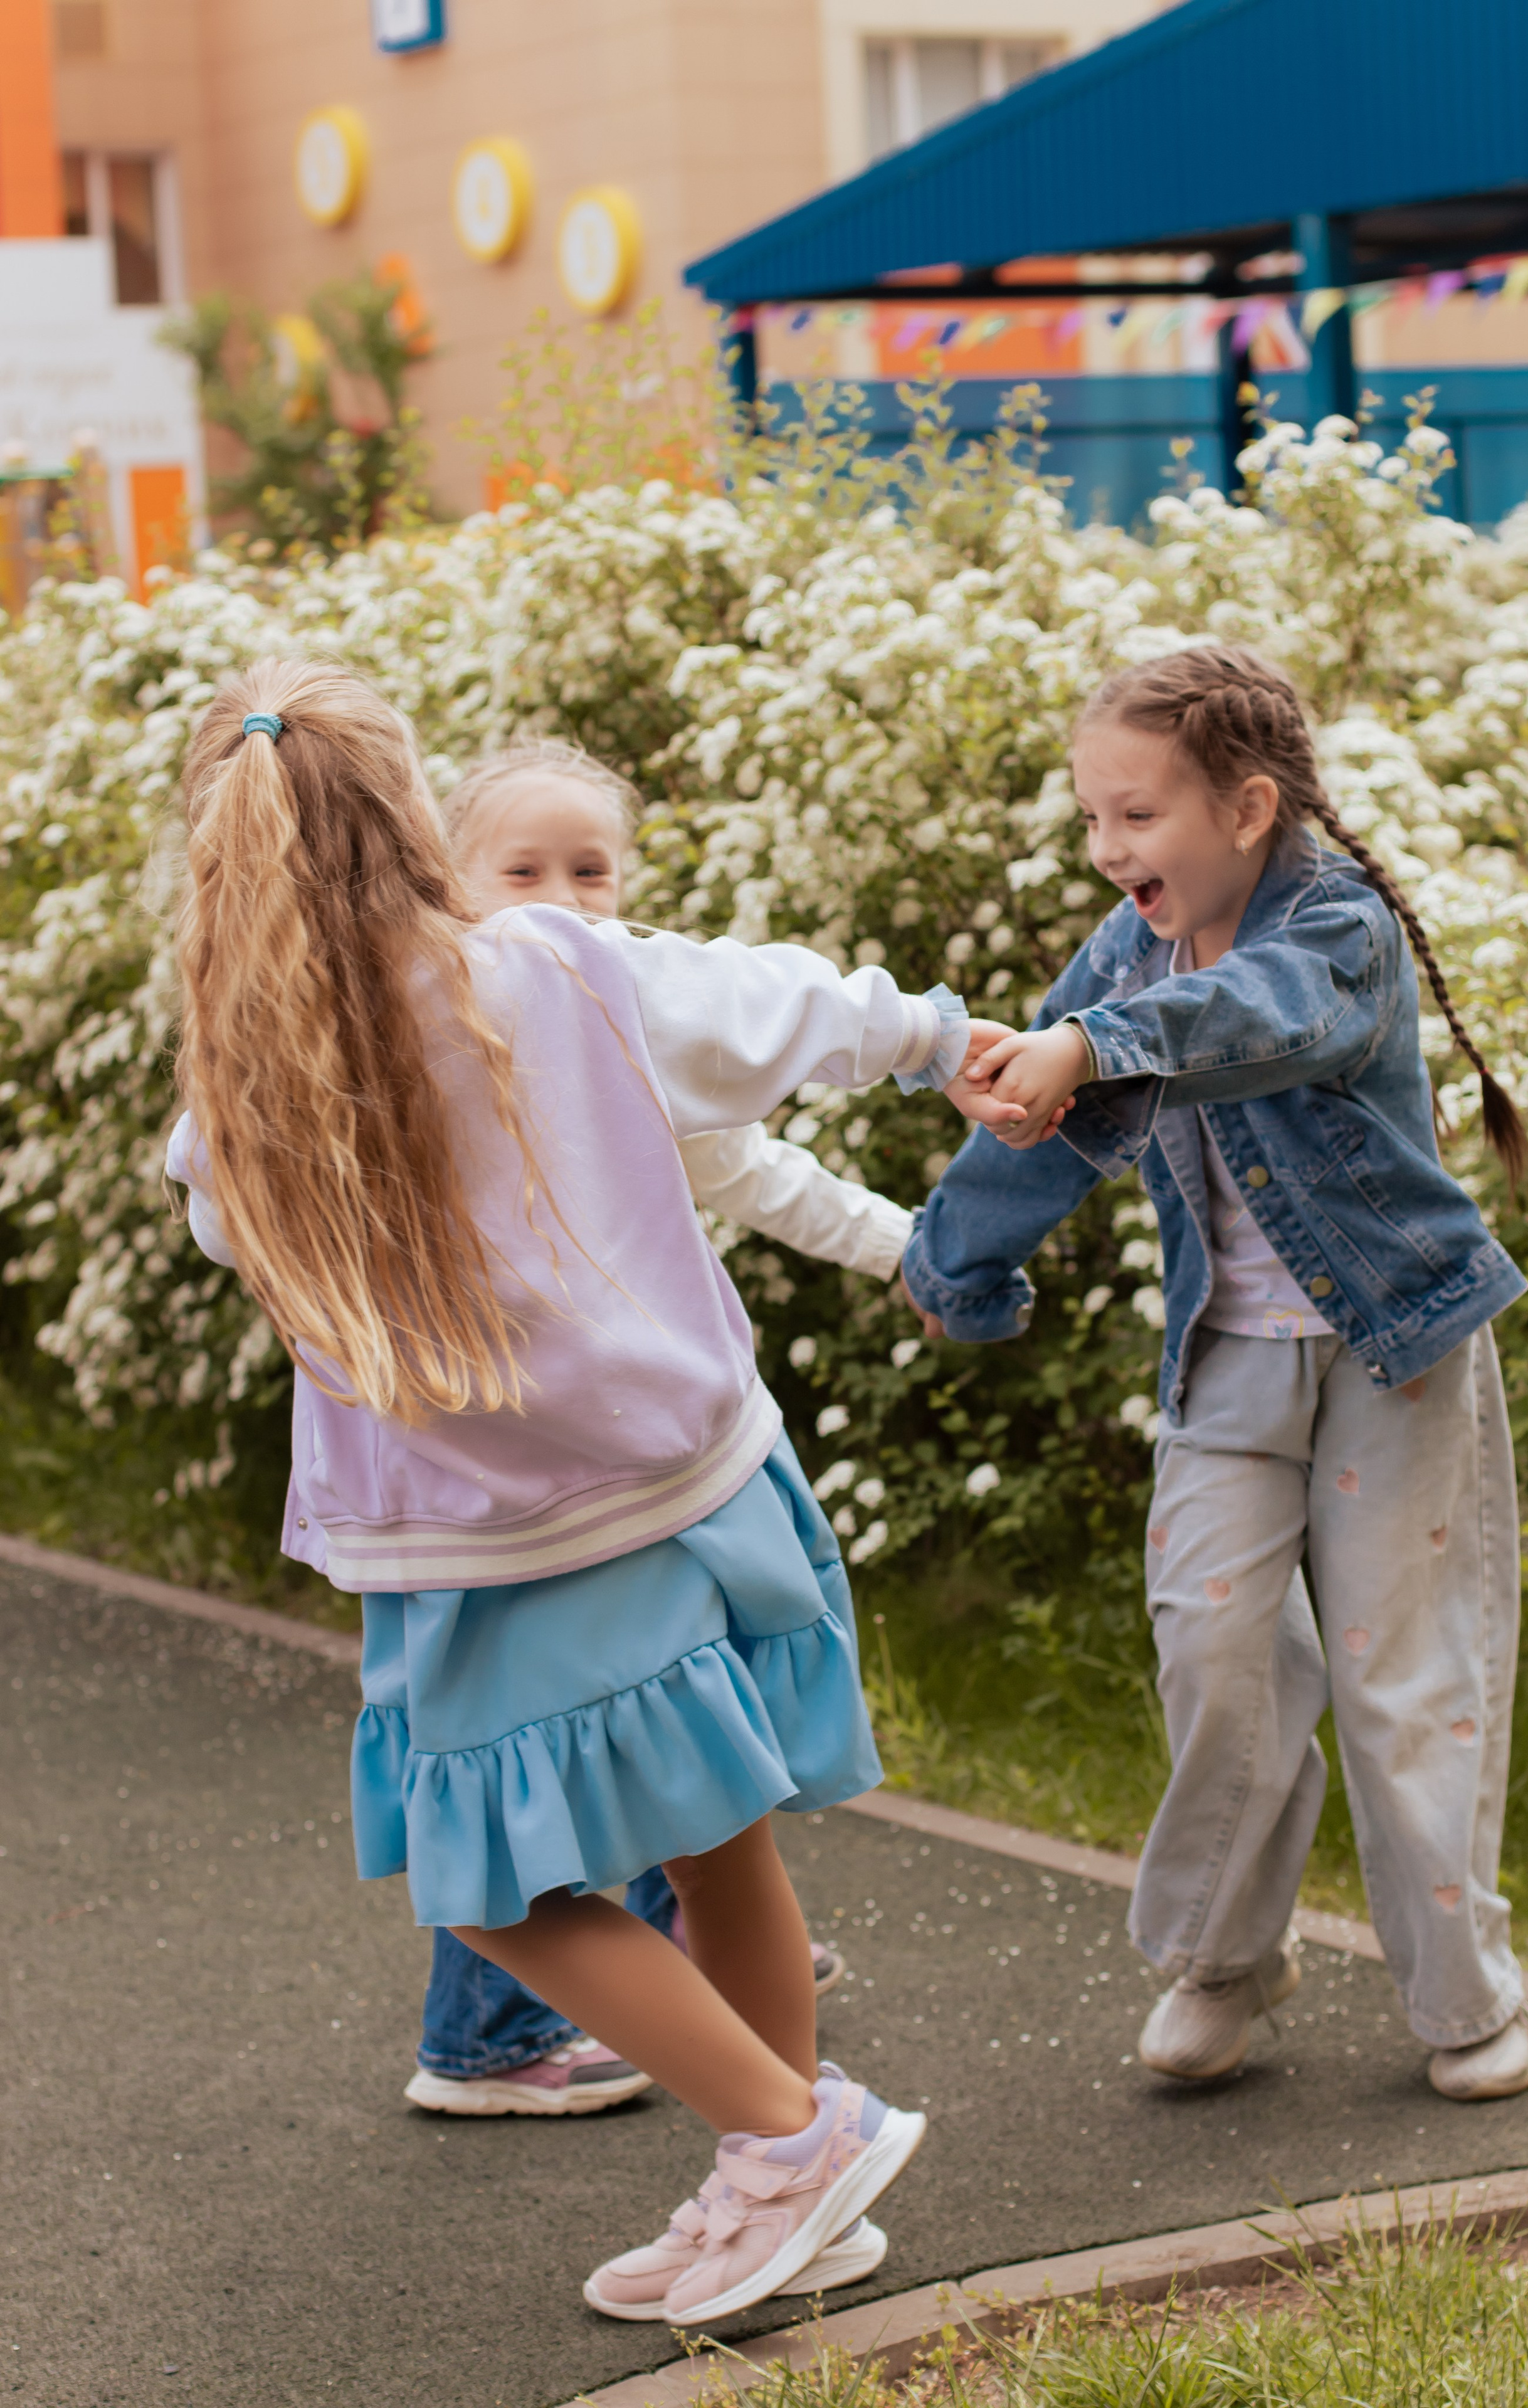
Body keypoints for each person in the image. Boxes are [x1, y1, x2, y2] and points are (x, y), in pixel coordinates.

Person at [164, 660, 1022, 2324]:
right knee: (718, 1849)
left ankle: (799, 2140)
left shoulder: (248, 1082)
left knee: (494, 1893)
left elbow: (221, 1231)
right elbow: (766, 1007)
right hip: (695, 1476)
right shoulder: (555, 967)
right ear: (416, 819)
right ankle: (783, 2185)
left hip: (505, 1549)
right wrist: (941, 1040)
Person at [904, 643, 1528, 2105]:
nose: (1104, 847)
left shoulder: (1334, 927)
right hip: (1227, 1367)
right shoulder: (1122, 960)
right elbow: (1038, 1118)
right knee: (1211, 1650)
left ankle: (1463, 1996)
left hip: (1395, 1351)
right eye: (1090, 816)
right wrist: (953, 1266)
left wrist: (1088, 1044)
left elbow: (1259, 1018)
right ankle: (1224, 1959)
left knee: (1399, 1678)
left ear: (1246, 808)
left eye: (1134, 816)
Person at [403, 739, 914, 2150]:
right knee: (538, 1768)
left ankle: (753, 2097)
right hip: (531, 1472)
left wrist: (904, 1249)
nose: (565, 898)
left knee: (630, 1756)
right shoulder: (442, 1026)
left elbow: (745, 1167)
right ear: (451, 885)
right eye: (524, 871)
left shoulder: (618, 1017)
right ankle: (496, 2034)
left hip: (638, 1458)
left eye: (592, 871)